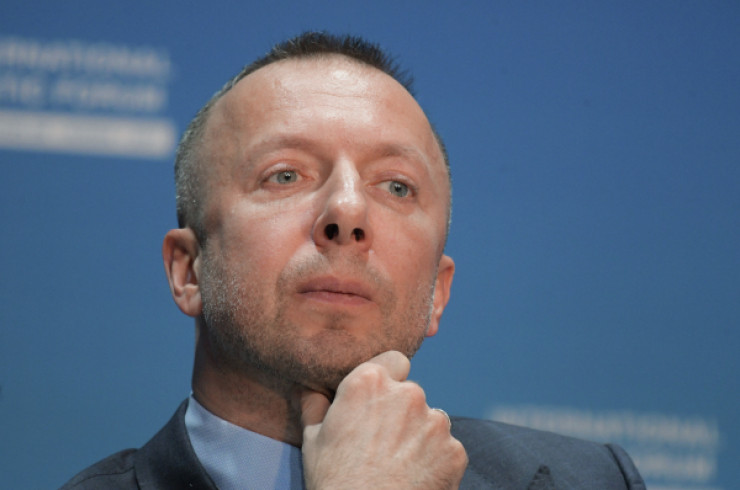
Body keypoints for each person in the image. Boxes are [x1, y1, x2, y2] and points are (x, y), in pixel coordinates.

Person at [62, 32, 645, 489]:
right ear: (188, 270)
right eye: (285, 175)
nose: (347, 211)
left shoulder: (590, 481)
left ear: (437, 293)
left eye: (396, 186)